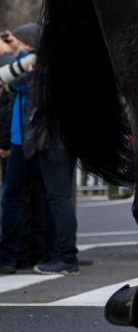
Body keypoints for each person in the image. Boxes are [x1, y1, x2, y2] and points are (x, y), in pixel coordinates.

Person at [0, 22, 82, 275]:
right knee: (53, 199)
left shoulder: (39, 66)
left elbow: (9, 79)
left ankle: (64, 257)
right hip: (56, 139)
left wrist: (20, 56)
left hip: (39, 141)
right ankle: (55, 254)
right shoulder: (62, 64)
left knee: (45, 199)